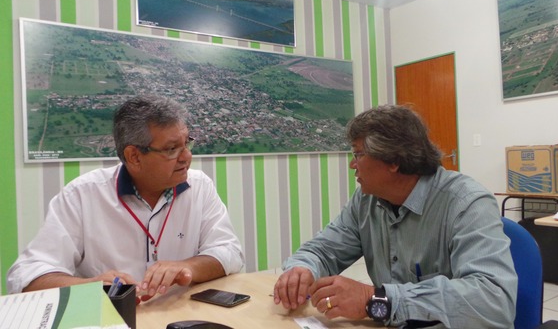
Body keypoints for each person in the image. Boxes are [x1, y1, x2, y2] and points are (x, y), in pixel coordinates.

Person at [273, 105, 517, 328]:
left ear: (393, 161)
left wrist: (377, 299)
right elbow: (324, 249)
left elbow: (493, 299)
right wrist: (302, 270)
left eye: (358, 154)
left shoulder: (467, 203)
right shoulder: (367, 199)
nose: (352, 164)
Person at [7, 95, 244, 302]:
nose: (187, 157)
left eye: (187, 144)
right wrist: (90, 287)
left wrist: (187, 267)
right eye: (172, 149)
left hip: (181, 314)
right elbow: (26, 276)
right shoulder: (82, 195)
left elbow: (230, 252)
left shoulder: (199, 186)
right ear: (134, 156)